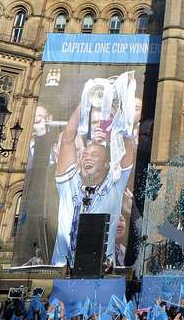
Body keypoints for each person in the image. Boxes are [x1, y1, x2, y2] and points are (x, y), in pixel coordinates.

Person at [50, 90, 137, 268]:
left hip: (103, 271)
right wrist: (87, 100)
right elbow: (67, 138)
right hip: (63, 269)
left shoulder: (114, 186)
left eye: (95, 155)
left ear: (107, 163)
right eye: (86, 154)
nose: (87, 157)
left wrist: (120, 114)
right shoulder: (68, 184)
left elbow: (128, 149)